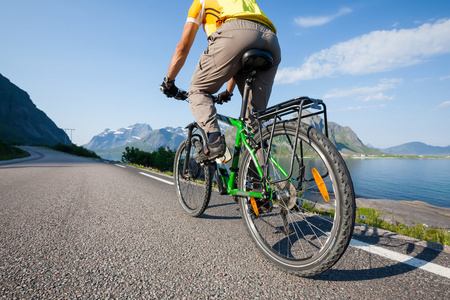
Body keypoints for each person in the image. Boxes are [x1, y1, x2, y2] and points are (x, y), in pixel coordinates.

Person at [160, 0, 281, 162]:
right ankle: (259, 183)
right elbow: (236, 63)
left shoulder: (200, 2)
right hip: (271, 39)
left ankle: (214, 141)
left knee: (197, 90)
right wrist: (227, 92)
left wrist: (169, 82)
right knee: (254, 124)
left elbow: (183, 47)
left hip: (236, 33)